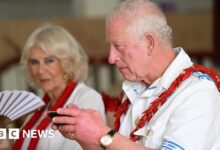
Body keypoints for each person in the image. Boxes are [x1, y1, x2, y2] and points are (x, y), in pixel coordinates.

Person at [52, 0, 220, 149]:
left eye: (118, 46)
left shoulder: (198, 91)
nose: (111, 58)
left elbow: (111, 140)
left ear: (149, 43)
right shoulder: (135, 87)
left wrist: (101, 133)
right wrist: (83, 135)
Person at [11, 23, 106, 150]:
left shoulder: (87, 99)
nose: (40, 70)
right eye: (34, 62)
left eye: (49, 61)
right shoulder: (38, 108)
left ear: (67, 62)